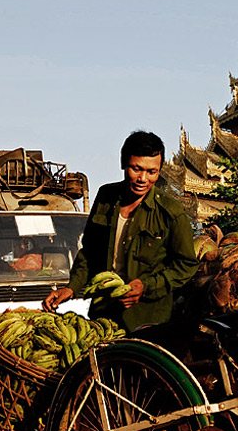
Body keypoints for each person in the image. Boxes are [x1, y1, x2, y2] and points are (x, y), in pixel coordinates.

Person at [43, 130, 199, 331]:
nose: (143, 178)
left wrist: (146, 286)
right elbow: (89, 253)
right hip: (104, 314)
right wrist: (71, 288)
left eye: (152, 172)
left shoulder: (171, 212)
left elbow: (186, 265)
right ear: (124, 163)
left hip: (148, 321)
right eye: (137, 169)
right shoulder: (106, 197)